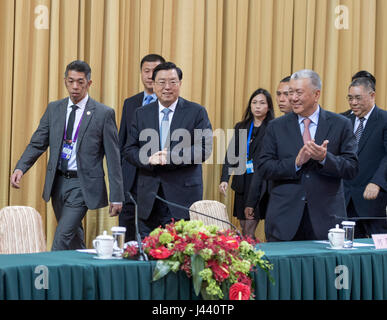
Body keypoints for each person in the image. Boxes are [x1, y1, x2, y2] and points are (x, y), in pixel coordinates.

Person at [10, 60, 124, 250]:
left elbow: (113, 158)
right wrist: (21, 167)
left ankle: (50, 276)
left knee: (61, 237)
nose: (75, 87)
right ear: (65, 81)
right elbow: (38, 142)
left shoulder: (103, 114)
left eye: (80, 82)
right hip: (58, 182)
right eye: (70, 81)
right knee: (73, 236)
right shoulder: (54, 109)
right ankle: (83, 276)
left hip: (82, 185)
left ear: (89, 83)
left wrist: (117, 195)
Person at [258, 69, 358, 241]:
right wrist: (295, 163)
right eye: (290, 93)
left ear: (316, 94)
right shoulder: (276, 127)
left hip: (326, 220)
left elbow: (351, 168)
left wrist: (324, 158)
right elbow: (263, 167)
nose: (293, 98)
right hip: (284, 220)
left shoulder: (340, 124)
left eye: (298, 92)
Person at [123, 62, 213, 238]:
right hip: (149, 198)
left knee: (180, 255)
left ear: (180, 83)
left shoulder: (196, 112)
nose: (167, 87)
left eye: (173, 82)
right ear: (153, 85)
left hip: (182, 198)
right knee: (148, 253)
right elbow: (129, 149)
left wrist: (172, 157)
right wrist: (148, 159)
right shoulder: (141, 113)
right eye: (161, 82)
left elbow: (204, 149)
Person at [119, 54, 165, 241]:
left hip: (158, 180)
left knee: (155, 238)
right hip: (131, 180)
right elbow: (122, 144)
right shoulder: (130, 103)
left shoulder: (171, 105)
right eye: (146, 71)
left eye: (155, 72)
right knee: (128, 237)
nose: (150, 75)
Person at [219, 89, 274, 238]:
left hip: (260, 183)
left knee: (249, 230)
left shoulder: (273, 127)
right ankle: (252, 255)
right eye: (254, 102)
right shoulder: (241, 126)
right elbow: (231, 154)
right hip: (242, 181)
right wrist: (225, 179)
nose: (257, 106)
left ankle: (252, 259)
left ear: (268, 107)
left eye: (262, 103)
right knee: (244, 228)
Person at [344, 77, 387, 237]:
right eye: (350, 98)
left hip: (373, 200)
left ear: (372, 95)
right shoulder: (344, 121)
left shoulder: (384, 120)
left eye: (358, 98)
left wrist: (377, 182)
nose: (353, 102)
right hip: (346, 200)